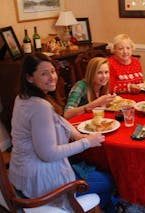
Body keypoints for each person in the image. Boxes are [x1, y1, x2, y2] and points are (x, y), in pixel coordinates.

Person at [9, 53, 117, 212]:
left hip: (22, 176)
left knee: (95, 172)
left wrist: (76, 134)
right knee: (110, 180)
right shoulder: (40, 107)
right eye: (44, 74)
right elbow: (49, 154)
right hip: (42, 183)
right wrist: (86, 142)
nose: (52, 77)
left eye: (52, 71)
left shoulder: (24, 97)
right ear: (30, 78)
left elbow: (59, 119)